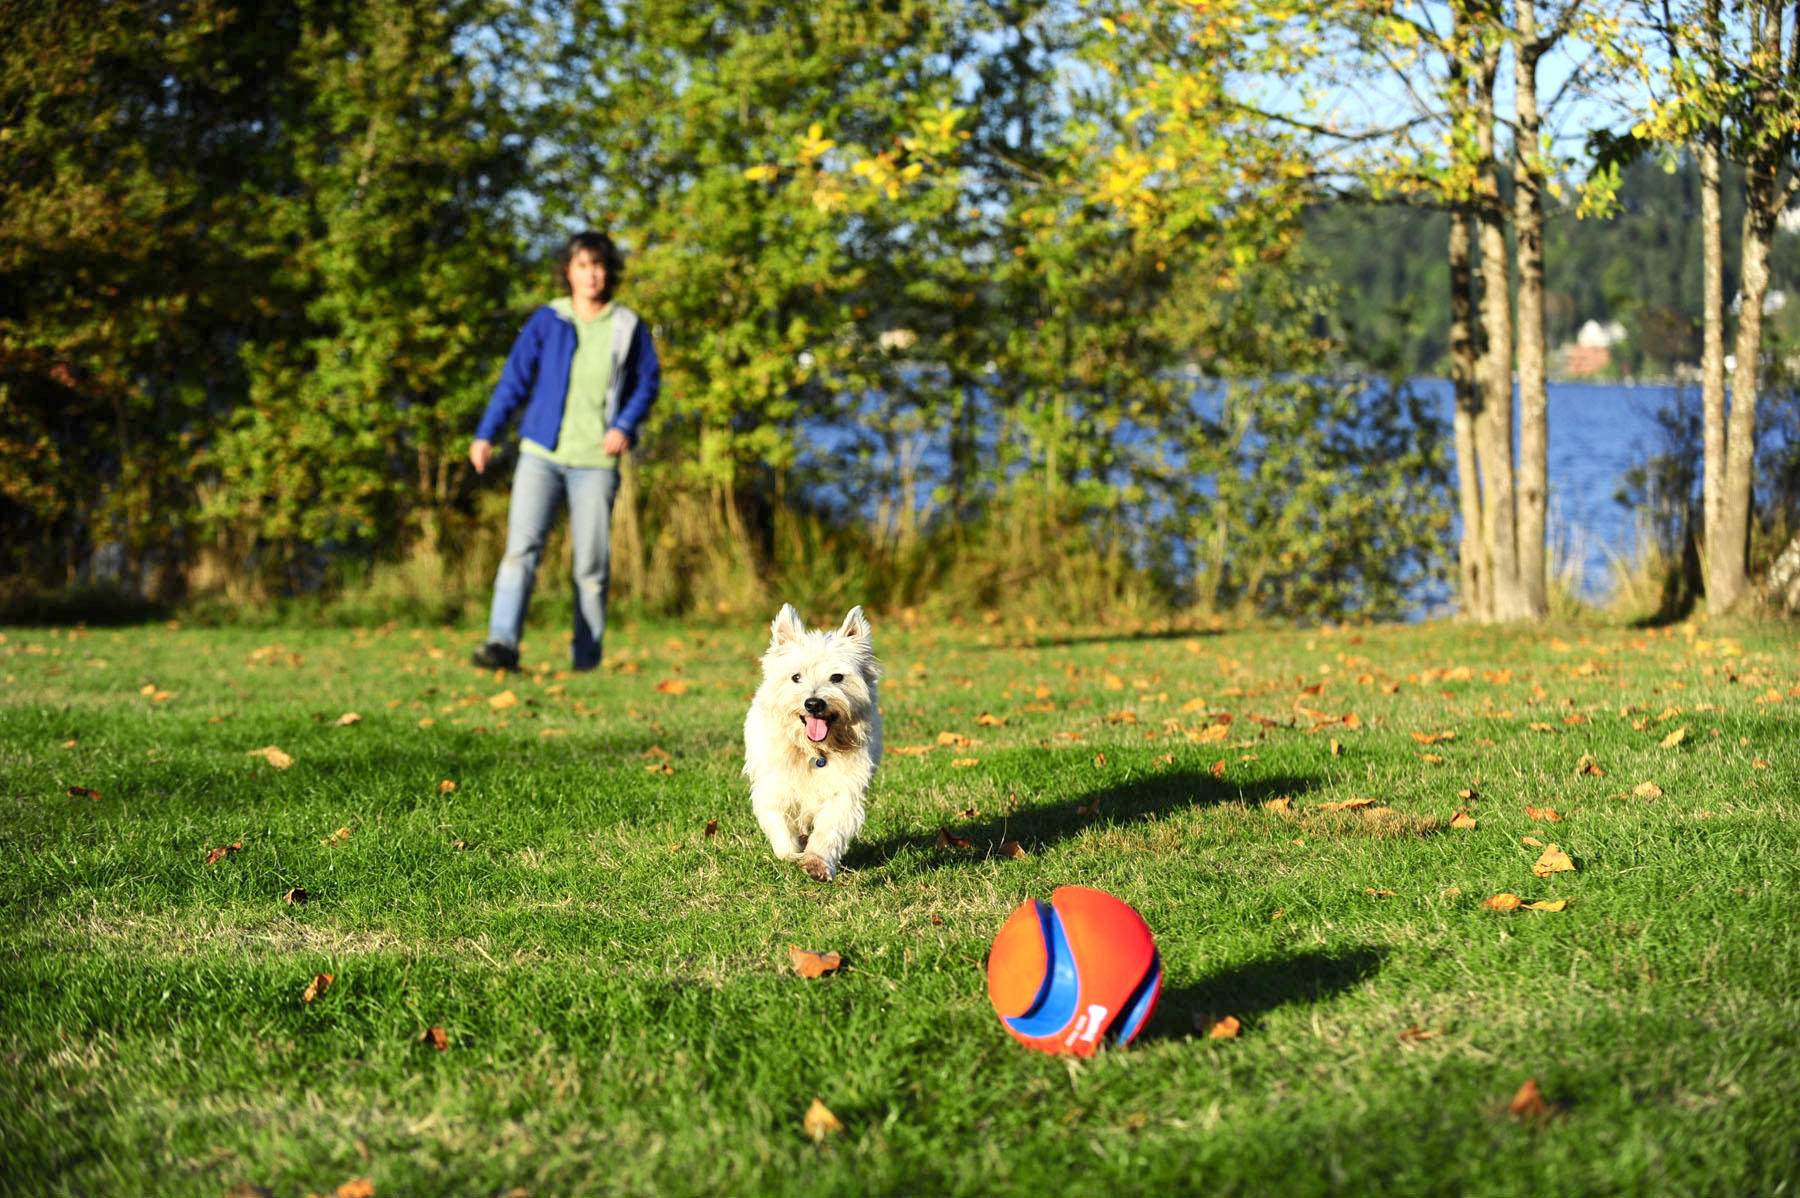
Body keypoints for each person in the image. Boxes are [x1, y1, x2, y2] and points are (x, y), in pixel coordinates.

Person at [468, 231, 660, 671]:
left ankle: (586, 659)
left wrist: (624, 425)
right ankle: (501, 644)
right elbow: (514, 379)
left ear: (609, 272)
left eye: (598, 265)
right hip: (541, 454)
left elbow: (647, 383)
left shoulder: (627, 325)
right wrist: (486, 434)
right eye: (582, 265)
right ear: (568, 272)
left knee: (591, 566)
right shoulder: (548, 319)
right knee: (520, 551)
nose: (591, 275)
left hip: (596, 461)